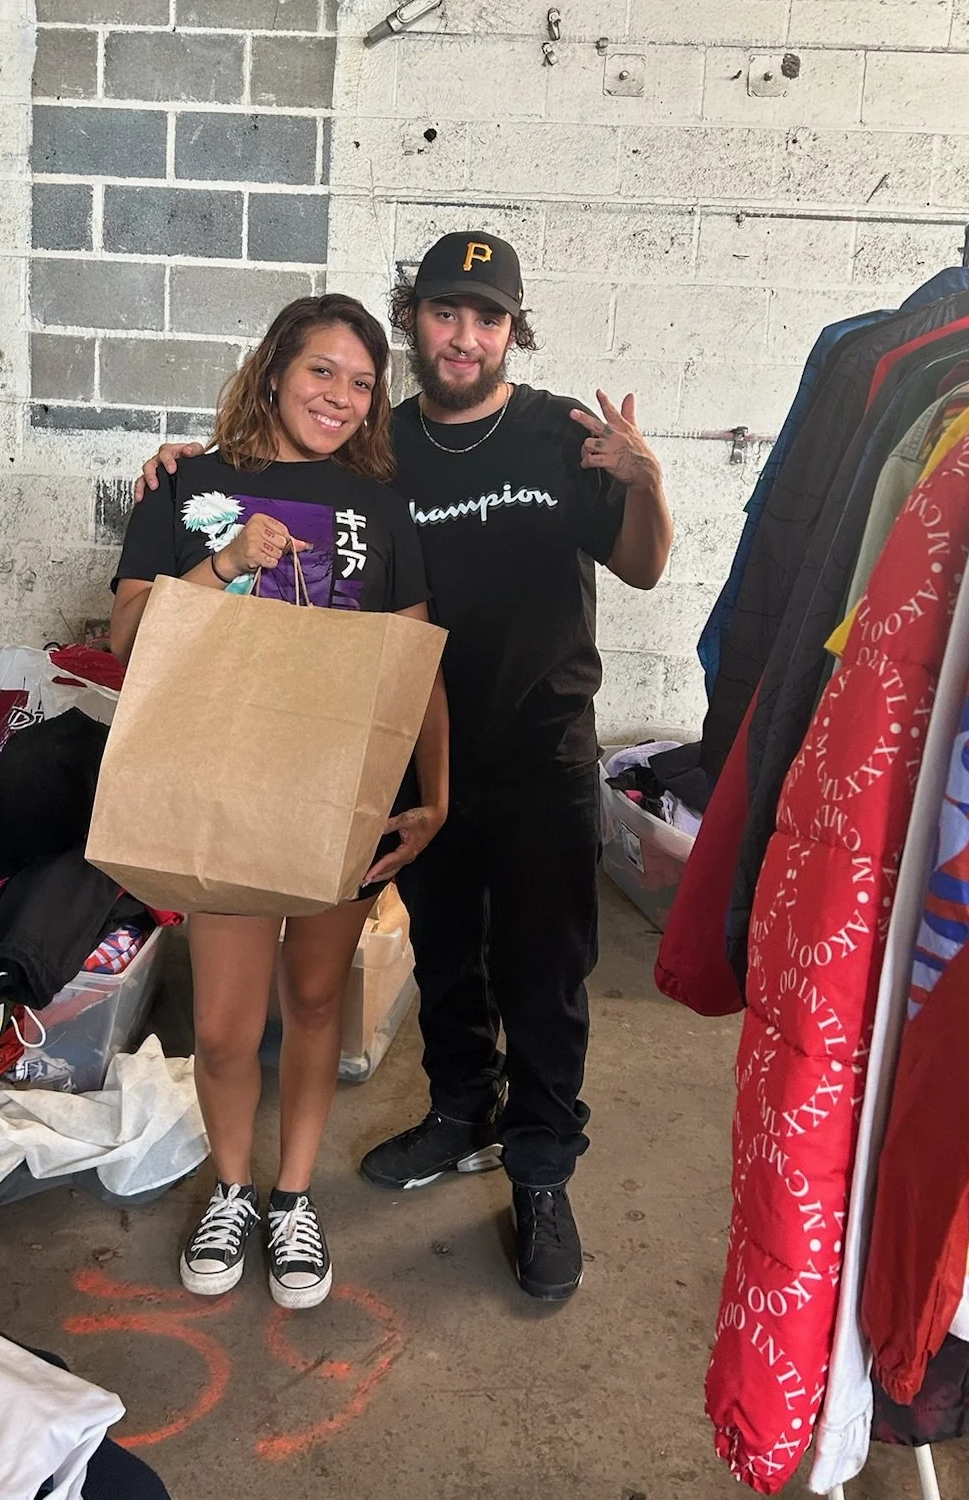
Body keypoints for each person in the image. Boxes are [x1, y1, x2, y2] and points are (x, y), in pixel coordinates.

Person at [137, 233, 673, 1302]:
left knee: (545, 974)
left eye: (487, 316)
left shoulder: (563, 435)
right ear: (417, 319)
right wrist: (184, 480)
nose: (464, 336)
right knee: (447, 958)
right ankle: (461, 1109)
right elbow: (265, 488)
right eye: (443, 313)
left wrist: (646, 480)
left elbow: (646, 565)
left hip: (537, 749)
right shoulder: (384, 452)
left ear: (514, 328)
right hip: (386, 759)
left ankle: (541, 1171)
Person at [110, 293, 449, 1313]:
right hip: (224, 779)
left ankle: (291, 1194)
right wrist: (225, 560)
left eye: (361, 381)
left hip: (341, 788)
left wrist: (437, 791)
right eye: (321, 371)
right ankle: (232, 1185)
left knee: (313, 1000)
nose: (341, 396)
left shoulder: (384, 506)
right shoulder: (188, 482)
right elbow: (128, 639)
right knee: (221, 1026)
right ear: (272, 369)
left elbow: (413, 664)